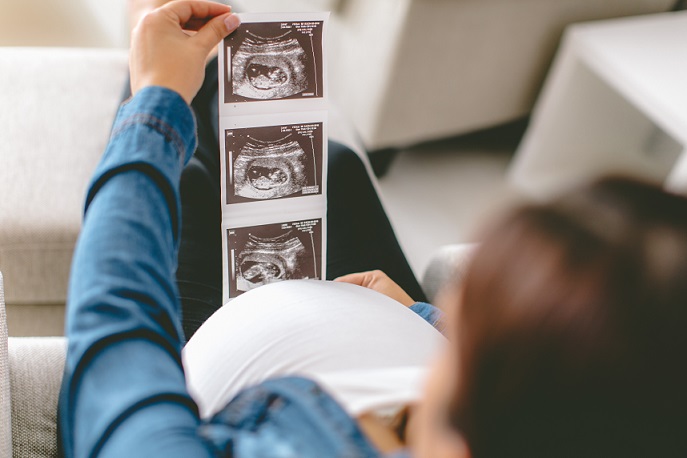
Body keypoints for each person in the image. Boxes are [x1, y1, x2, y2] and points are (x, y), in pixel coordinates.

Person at [59, 2, 687, 457]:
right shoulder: (602, 411)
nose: (456, 307)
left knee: (187, 176)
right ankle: (209, 65)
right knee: (335, 163)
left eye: (468, 326)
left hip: (201, 356)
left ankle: (157, 51)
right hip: (362, 307)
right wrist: (419, 313)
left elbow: (115, 328)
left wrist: (155, 100)